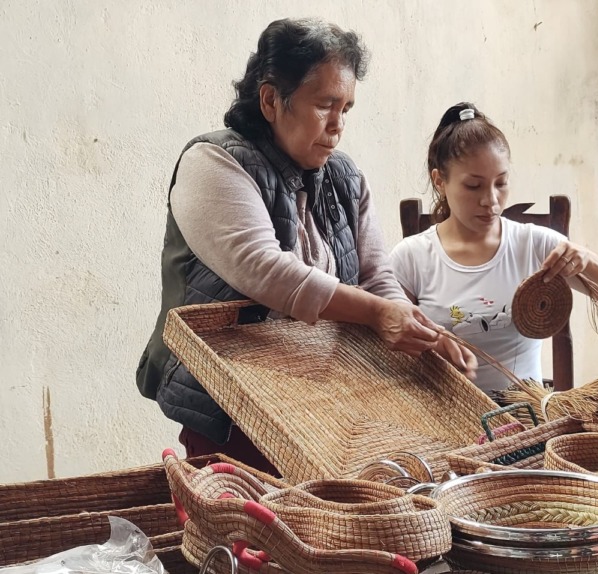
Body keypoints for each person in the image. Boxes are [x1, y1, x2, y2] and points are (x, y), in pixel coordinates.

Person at [136, 19, 475, 472]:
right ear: (271, 100)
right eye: (324, 105)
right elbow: (268, 271)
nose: (337, 126)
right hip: (233, 407)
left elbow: (376, 276)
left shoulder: (345, 177)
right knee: (247, 512)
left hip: (323, 406)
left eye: (346, 109)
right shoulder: (213, 163)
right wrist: (379, 314)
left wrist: (417, 330)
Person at [390, 102, 598, 396]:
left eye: (501, 183)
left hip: (525, 414)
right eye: (473, 186)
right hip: (443, 415)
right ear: (440, 181)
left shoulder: (533, 245)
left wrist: (587, 260)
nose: (491, 200)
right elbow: (386, 340)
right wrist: (431, 343)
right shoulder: (412, 257)